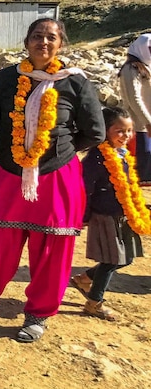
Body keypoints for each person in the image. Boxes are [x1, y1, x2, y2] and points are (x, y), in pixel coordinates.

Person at [0, 18, 105, 343]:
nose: (43, 42)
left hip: (56, 177)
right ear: (26, 42)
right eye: (37, 36)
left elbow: (94, 131)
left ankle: (38, 313)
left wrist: (60, 151)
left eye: (50, 37)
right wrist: (21, 150)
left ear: (61, 44)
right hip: (10, 174)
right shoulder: (7, 78)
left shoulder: (76, 83)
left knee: (52, 250)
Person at [71, 107, 148, 321]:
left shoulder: (122, 154)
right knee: (111, 261)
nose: (126, 136)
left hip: (122, 215)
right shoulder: (96, 158)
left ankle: (84, 278)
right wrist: (84, 216)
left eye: (130, 131)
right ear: (105, 130)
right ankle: (94, 303)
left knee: (127, 259)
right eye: (120, 131)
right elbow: (84, 190)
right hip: (104, 216)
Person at [117, 33, 151, 185]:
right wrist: (148, 122)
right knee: (138, 169)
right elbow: (134, 99)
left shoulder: (146, 67)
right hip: (139, 126)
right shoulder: (131, 69)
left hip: (147, 124)